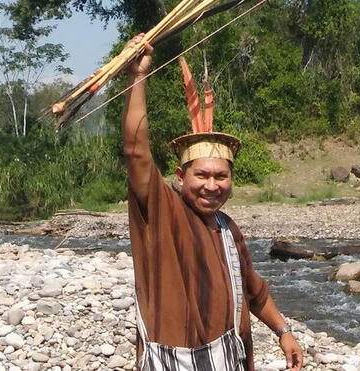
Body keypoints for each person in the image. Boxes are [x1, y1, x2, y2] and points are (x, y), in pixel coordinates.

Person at [123, 34, 303, 371]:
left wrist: (284, 331)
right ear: (180, 176)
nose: (211, 185)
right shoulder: (163, 211)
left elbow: (254, 291)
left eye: (221, 176)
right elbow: (136, 152)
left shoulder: (226, 228)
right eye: (201, 175)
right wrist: (137, 77)